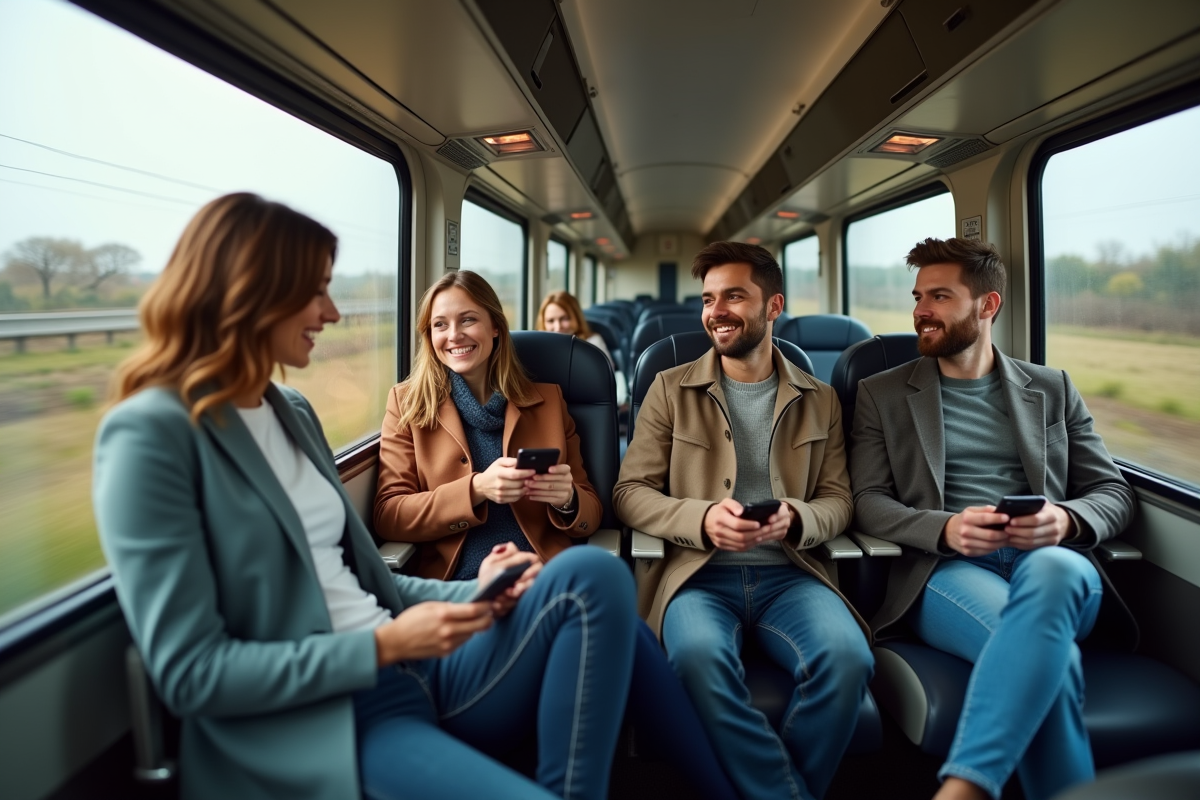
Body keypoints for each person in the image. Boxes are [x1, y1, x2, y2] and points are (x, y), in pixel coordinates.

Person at [93, 194, 637, 800]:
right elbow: (192, 676)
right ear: (253, 293)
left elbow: (365, 581)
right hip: (326, 715)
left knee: (593, 574)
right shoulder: (148, 434)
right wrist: (387, 643)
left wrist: (475, 593)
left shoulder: (289, 410)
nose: (331, 312)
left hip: (406, 664)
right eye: (316, 290)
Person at [374, 270, 739, 800]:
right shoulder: (407, 403)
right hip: (465, 596)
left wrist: (566, 500)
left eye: (468, 320)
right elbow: (389, 514)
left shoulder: (546, 399)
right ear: (427, 336)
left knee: (609, 607)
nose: (455, 336)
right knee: (624, 625)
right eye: (440, 325)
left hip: (546, 583)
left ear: (496, 328)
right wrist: (475, 489)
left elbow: (594, 511)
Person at [849, 237, 1137, 800]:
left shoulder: (1052, 388)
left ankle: (964, 787)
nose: (920, 311)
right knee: (1046, 660)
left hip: (1052, 562)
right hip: (947, 569)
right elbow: (868, 500)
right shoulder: (881, 394)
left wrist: (1065, 521)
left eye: (939, 296)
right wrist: (944, 528)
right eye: (917, 297)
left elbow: (1112, 491)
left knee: (1053, 575)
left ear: (987, 305)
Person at [613, 241, 874, 800]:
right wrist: (703, 519)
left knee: (849, 659)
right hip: (697, 576)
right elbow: (629, 494)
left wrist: (796, 518)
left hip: (792, 573)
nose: (717, 310)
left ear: (773, 305)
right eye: (709, 298)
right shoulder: (668, 387)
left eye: (734, 295)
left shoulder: (820, 398)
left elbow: (838, 501)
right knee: (696, 661)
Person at [536, 289, 613, 366]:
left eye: (564, 319)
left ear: (577, 317)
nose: (558, 327)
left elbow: (606, 375)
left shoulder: (593, 343)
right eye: (550, 321)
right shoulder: (538, 348)